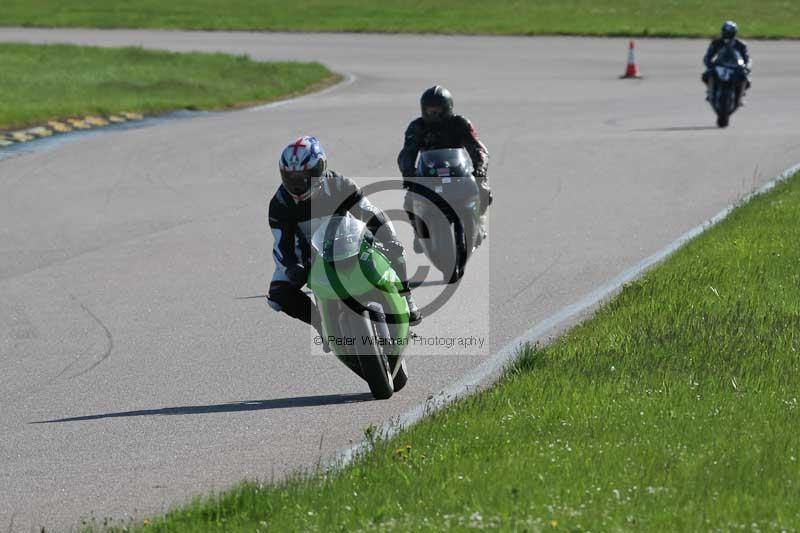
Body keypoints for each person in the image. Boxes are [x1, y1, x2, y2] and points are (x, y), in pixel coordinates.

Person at [267, 136, 422, 349]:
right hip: (307, 253)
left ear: (319, 169)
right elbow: (283, 243)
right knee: (278, 294)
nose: (297, 184)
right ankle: (322, 326)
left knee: (395, 249)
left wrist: (388, 239)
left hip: (349, 238)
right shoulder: (280, 203)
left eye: (304, 176)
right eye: (291, 177)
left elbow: (369, 212)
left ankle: (406, 297)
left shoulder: (340, 184)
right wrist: (294, 266)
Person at [397, 86, 491, 246]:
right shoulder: (416, 127)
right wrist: (408, 173)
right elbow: (407, 152)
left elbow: (478, 148)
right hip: (429, 171)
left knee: (483, 189)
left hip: (457, 169)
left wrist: (480, 167)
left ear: (448, 109)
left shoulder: (460, 124)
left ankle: (478, 222)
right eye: (430, 111)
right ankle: (419, 232)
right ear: (423, 110)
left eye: (438, 110)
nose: (434, 115)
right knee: (409, 198)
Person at [702, 21, 751, 103]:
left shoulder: (741, 45)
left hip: (735, 66)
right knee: (707, 75)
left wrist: (746, 66)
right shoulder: (716, 43)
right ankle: (710, 93)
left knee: (746, 79)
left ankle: (740, 97)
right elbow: (708, 56)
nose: (728, 35)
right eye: (726, 32)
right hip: (720, 64)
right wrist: (709, 64)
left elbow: (746, 58)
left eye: (730, 33)